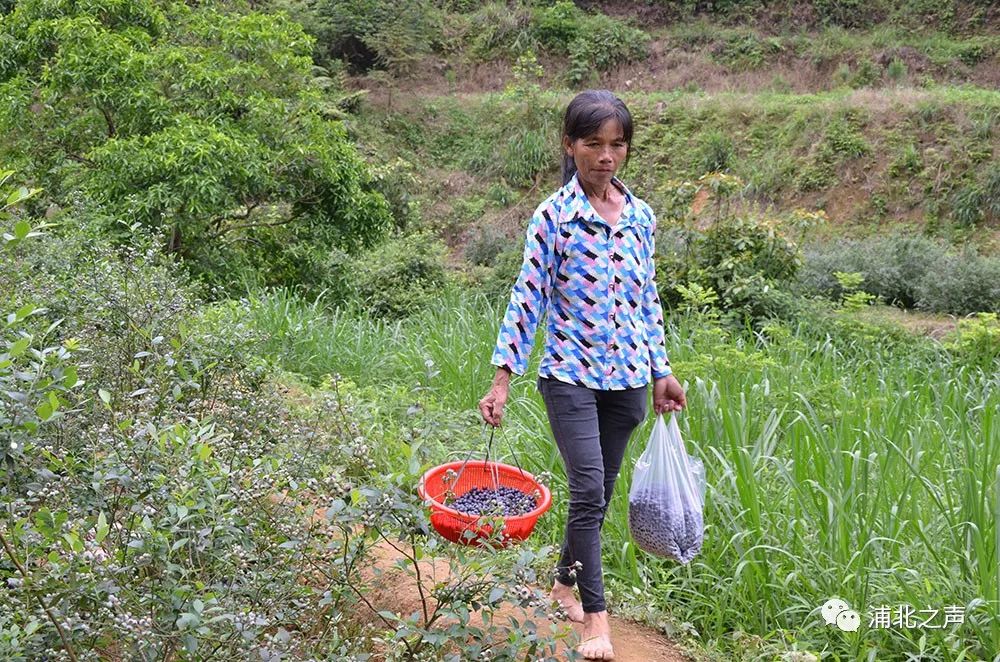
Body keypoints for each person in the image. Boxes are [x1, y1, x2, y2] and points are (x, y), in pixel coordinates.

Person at [478, 89, 687, 661]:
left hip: (627, 381)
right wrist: (502, 377)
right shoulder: (555, 217)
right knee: (589, 488)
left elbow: (647, 299)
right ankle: (595, 619)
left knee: (598, 494)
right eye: (593, 144)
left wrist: (661, 371)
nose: (606, 156)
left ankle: (562, 583)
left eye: (617, 144)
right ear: (570, 146)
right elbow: (529, 298)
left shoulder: (640, 216)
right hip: (569, 374)